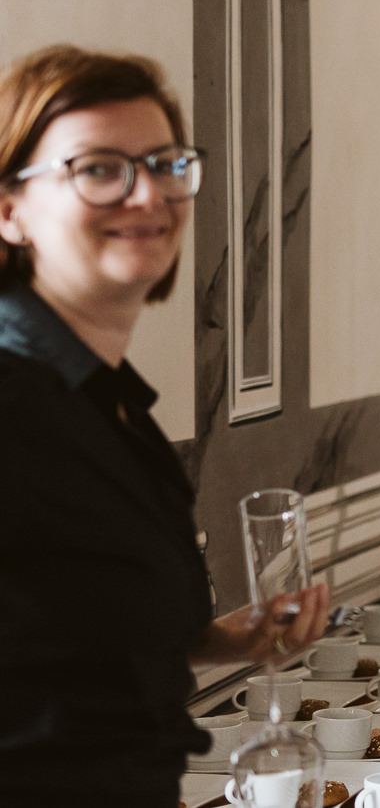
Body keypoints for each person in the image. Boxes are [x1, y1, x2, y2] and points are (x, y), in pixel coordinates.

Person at [0, 46, 329, 806]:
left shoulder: (114, 404)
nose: (147, 194)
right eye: (98, 168)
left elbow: (69, 636)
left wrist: (230, 638)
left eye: (165, 163)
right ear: (10, 209)